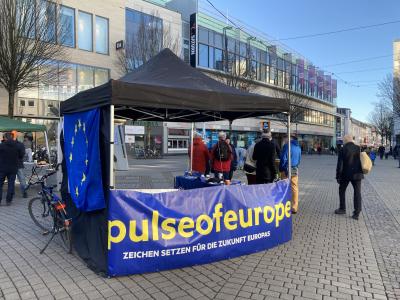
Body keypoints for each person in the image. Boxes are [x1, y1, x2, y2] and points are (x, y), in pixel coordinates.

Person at [335, 134, 364, 220]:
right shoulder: (358, 148)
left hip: (346, 174)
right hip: (357, 174)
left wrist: (338, 176)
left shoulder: (343, 149)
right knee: (357, 192)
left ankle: (342, 208)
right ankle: (356, 213)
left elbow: (340, 164)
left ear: (345, 140)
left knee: (342, 190)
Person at [279, 134, 302, 214]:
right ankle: (295, 206)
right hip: (295, 169)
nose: (284, 139)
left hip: (286, 170)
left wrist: (281, 168)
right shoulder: (298, 147)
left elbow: (283, 158)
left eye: (285, 138)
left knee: (284, 187)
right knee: (294, 188)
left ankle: (284, 205)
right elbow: (299, 160)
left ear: (289, 138)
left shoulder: (287, 146)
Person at [0, 132, 24, 205]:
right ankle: (9, 200)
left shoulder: (1, 145)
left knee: (0, 184)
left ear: (5, 138)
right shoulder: (17, 145)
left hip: (2, 168)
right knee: (11, 184)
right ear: (12, 137)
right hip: (13, 168)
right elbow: (21, 155)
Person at [11, 131, 28, 198]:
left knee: (11, 179)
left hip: (11, 164)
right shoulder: (20, 144)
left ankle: (11, 193)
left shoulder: (8, 144)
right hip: (18, 163)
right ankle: (24, 192)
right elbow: (22, 154)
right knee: (22, 179)